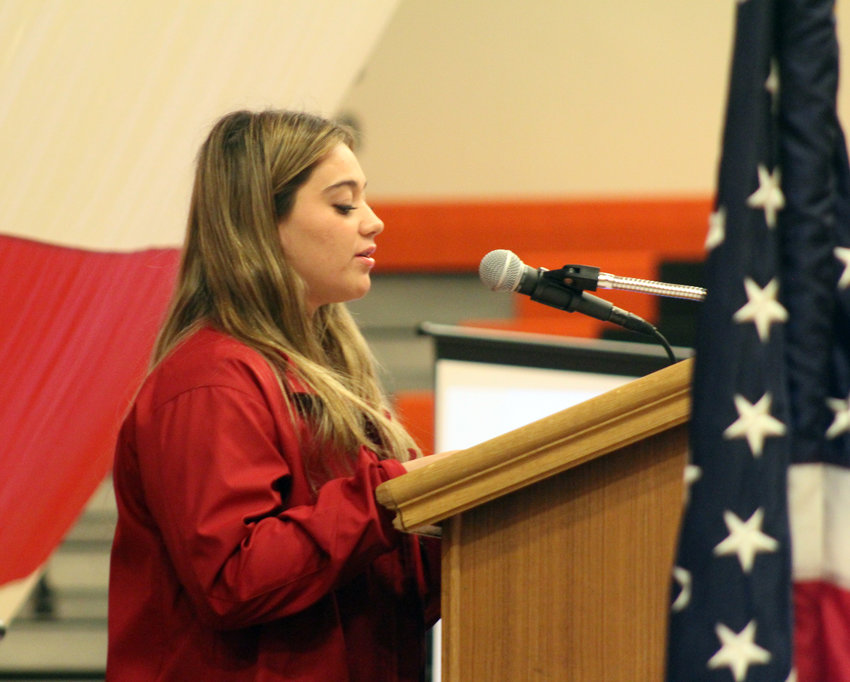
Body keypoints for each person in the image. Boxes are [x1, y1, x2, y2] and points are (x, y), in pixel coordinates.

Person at [107, 109, 441, 681]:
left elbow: (378, 582)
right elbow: (234, 578)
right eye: (344, 204)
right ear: (263, 223)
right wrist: (391, 497)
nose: (374, 222)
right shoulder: (209, 382)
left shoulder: (333, 377)